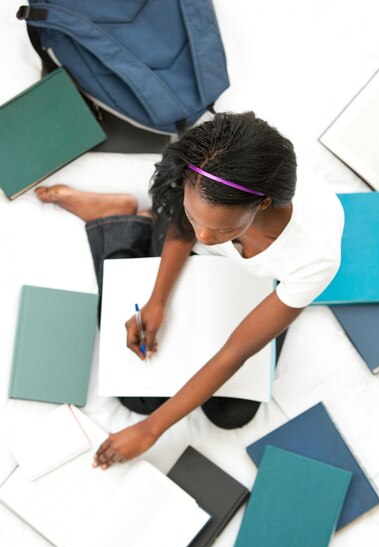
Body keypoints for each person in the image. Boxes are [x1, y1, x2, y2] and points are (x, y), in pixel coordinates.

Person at [36, 111, 344, 469]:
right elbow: (183, 230)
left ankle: (121, 224)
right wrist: (157, 300)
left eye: (222, 230)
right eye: (196, 217)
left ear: (261, 204)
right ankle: (116, 213)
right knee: (135, 396)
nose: (204, 236)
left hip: (248, 288)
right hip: (188, 257)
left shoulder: (316, 256)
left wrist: (151, 431)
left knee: (231, 413)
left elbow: (236, 350)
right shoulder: (209, 173)